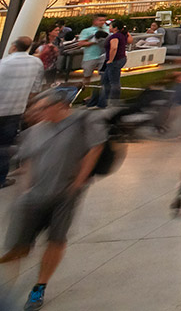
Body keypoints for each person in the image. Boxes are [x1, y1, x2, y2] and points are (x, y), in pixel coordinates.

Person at [0, 89, 106, 311]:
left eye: (42, 108)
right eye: (35, 109)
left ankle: (39, 287)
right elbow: (26, 161)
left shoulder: (82, 121)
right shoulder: (33, 132)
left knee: (56, 240)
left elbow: (96, 147)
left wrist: (78, 181)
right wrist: (27, 187)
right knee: (17, 246)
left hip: (65, 194)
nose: (37, 113)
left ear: (60, 106)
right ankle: (7, 291)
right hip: (34, 195)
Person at [0, 38, 44, 187]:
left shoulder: (4, 64)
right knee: (5, 145)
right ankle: (1, 178)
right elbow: (36, 89)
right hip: (16, 109)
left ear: (13, 47)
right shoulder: (36, 63)